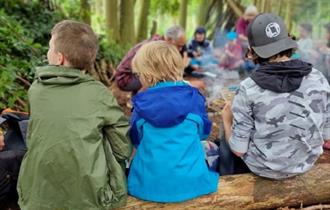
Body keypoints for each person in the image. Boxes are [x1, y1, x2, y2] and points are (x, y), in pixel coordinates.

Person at [17, 20, 132, 210]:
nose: (47, 52)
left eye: (49, 48)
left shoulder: (36, 89)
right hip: (89, 198)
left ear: (59, 58)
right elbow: (122, 147)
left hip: (37, 193)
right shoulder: (100, 94)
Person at [221, 13, 330, 179]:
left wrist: (227, 119)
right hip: (305, 163)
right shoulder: (318, 78)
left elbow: (238, 150)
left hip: (263, 169)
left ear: (251, 51)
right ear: (288, 42)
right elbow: (327, 135)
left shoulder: (248, 88)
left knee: (226, 128)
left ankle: (228, 183)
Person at [127, 41, 219, 202]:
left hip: (148, 186)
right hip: (192, 183)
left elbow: (136, 140)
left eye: (139, 75)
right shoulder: (194, 98)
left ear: (147, 75)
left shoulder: (140, 105)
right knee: (210, 149)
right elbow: (203, 133)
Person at [115, 26, 189, 93]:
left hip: (134, 74)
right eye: (179, 46)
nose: (180, 49)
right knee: (158, 78)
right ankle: (141, 100)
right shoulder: (157, 49)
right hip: (125, 78)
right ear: (169, 39)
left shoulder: (161, 43)